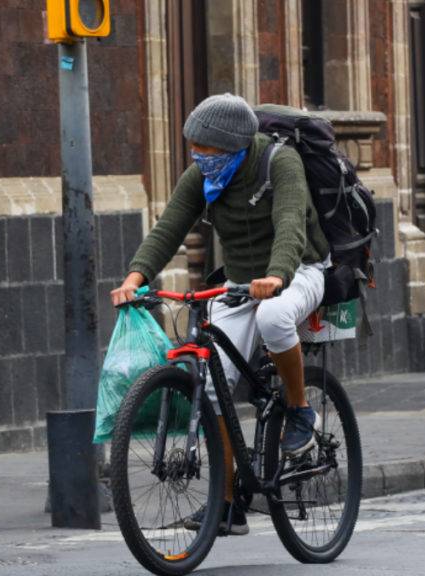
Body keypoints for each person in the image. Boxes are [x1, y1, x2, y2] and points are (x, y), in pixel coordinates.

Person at [110, 93, 330, 535]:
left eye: (206, 149)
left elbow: (289, 224)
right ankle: (228, 504)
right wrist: (136, 276)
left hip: (299, 269)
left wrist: (277, 276)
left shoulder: (279, 163)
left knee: (272, 319)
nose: (198, 157)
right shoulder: (204, 175)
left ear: (233, 145)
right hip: (239, 283)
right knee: (212, 387)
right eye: (194, 148)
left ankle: (300, 408)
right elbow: (169, 225)